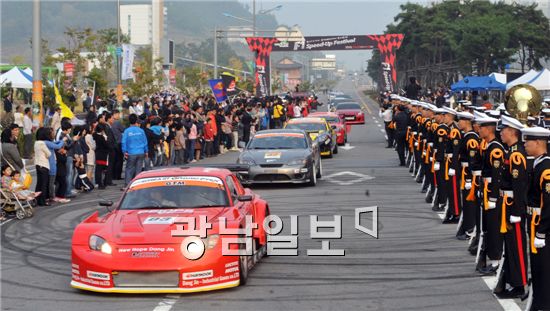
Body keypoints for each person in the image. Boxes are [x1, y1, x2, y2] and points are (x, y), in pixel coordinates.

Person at [491, 116, 529, 299]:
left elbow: (519, 185)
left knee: (517, 246)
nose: (500, 132)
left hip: (513, 206)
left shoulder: (516, 154)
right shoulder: (510, 151)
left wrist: (516, 212)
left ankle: (520, 284)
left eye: (504, 129)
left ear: (512, 132)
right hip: (506, 204)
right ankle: (513, 280)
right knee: (510, 246)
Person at [522, 126, 550, 311]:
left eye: (528, 141)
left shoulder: (546, 168)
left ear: (538, 142)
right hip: (534, 222)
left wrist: (542, 231)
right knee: (537, 268)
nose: (524, 144)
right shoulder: (538, 163)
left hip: (542, 226)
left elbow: (549, 203)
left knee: (544, 269)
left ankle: (545, 304)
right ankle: (539, 300)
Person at [121, 113, 148, 188]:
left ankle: (127, 186)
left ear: (129, 121)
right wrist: (146, 151)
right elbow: (145, 142)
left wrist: (124, 151)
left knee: (129, 169)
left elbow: (123, 142)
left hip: (131, 153)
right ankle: (137, 185)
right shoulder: (141, 131)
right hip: (141, 152)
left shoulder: (127, 131)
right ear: (136, 121)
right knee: (138, 169)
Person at [34, 127, 52, 206]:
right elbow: (49, 154)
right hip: (44, 165)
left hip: (37, 164)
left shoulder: (36, 143)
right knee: (44, 184)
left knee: (39, 183)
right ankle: (43, 201)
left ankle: (37, 199)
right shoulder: (42, 143)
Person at [93, 123, 111, 189]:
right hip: (103, 154)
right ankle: (102, 183)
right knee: (103, 170)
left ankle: (98, 182)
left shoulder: (94, 135)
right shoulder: (101, 137)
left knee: (98, 170)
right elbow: (107, 145)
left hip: (97, 154)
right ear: (102, 130)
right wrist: (105, 138)